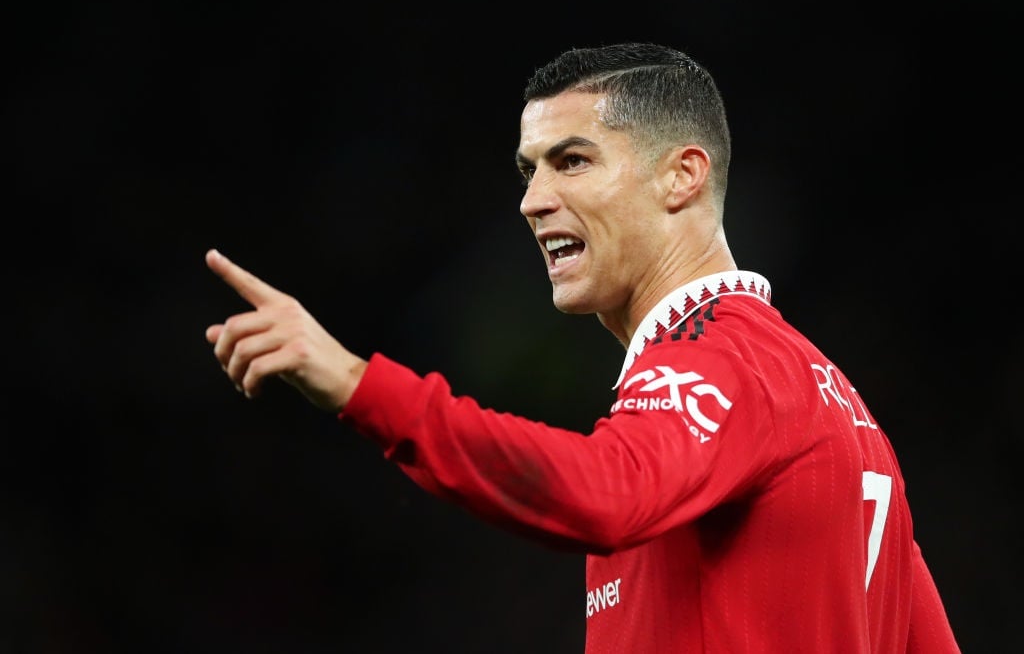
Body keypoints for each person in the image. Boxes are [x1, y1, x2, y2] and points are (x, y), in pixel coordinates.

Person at [204, 42, 960, 652]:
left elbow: (606, 489)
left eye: (572, 161)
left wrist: (354, 382)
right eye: (529, 170)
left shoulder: (722, 360)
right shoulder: (829, 396)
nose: (533, 200)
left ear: (682, 175)